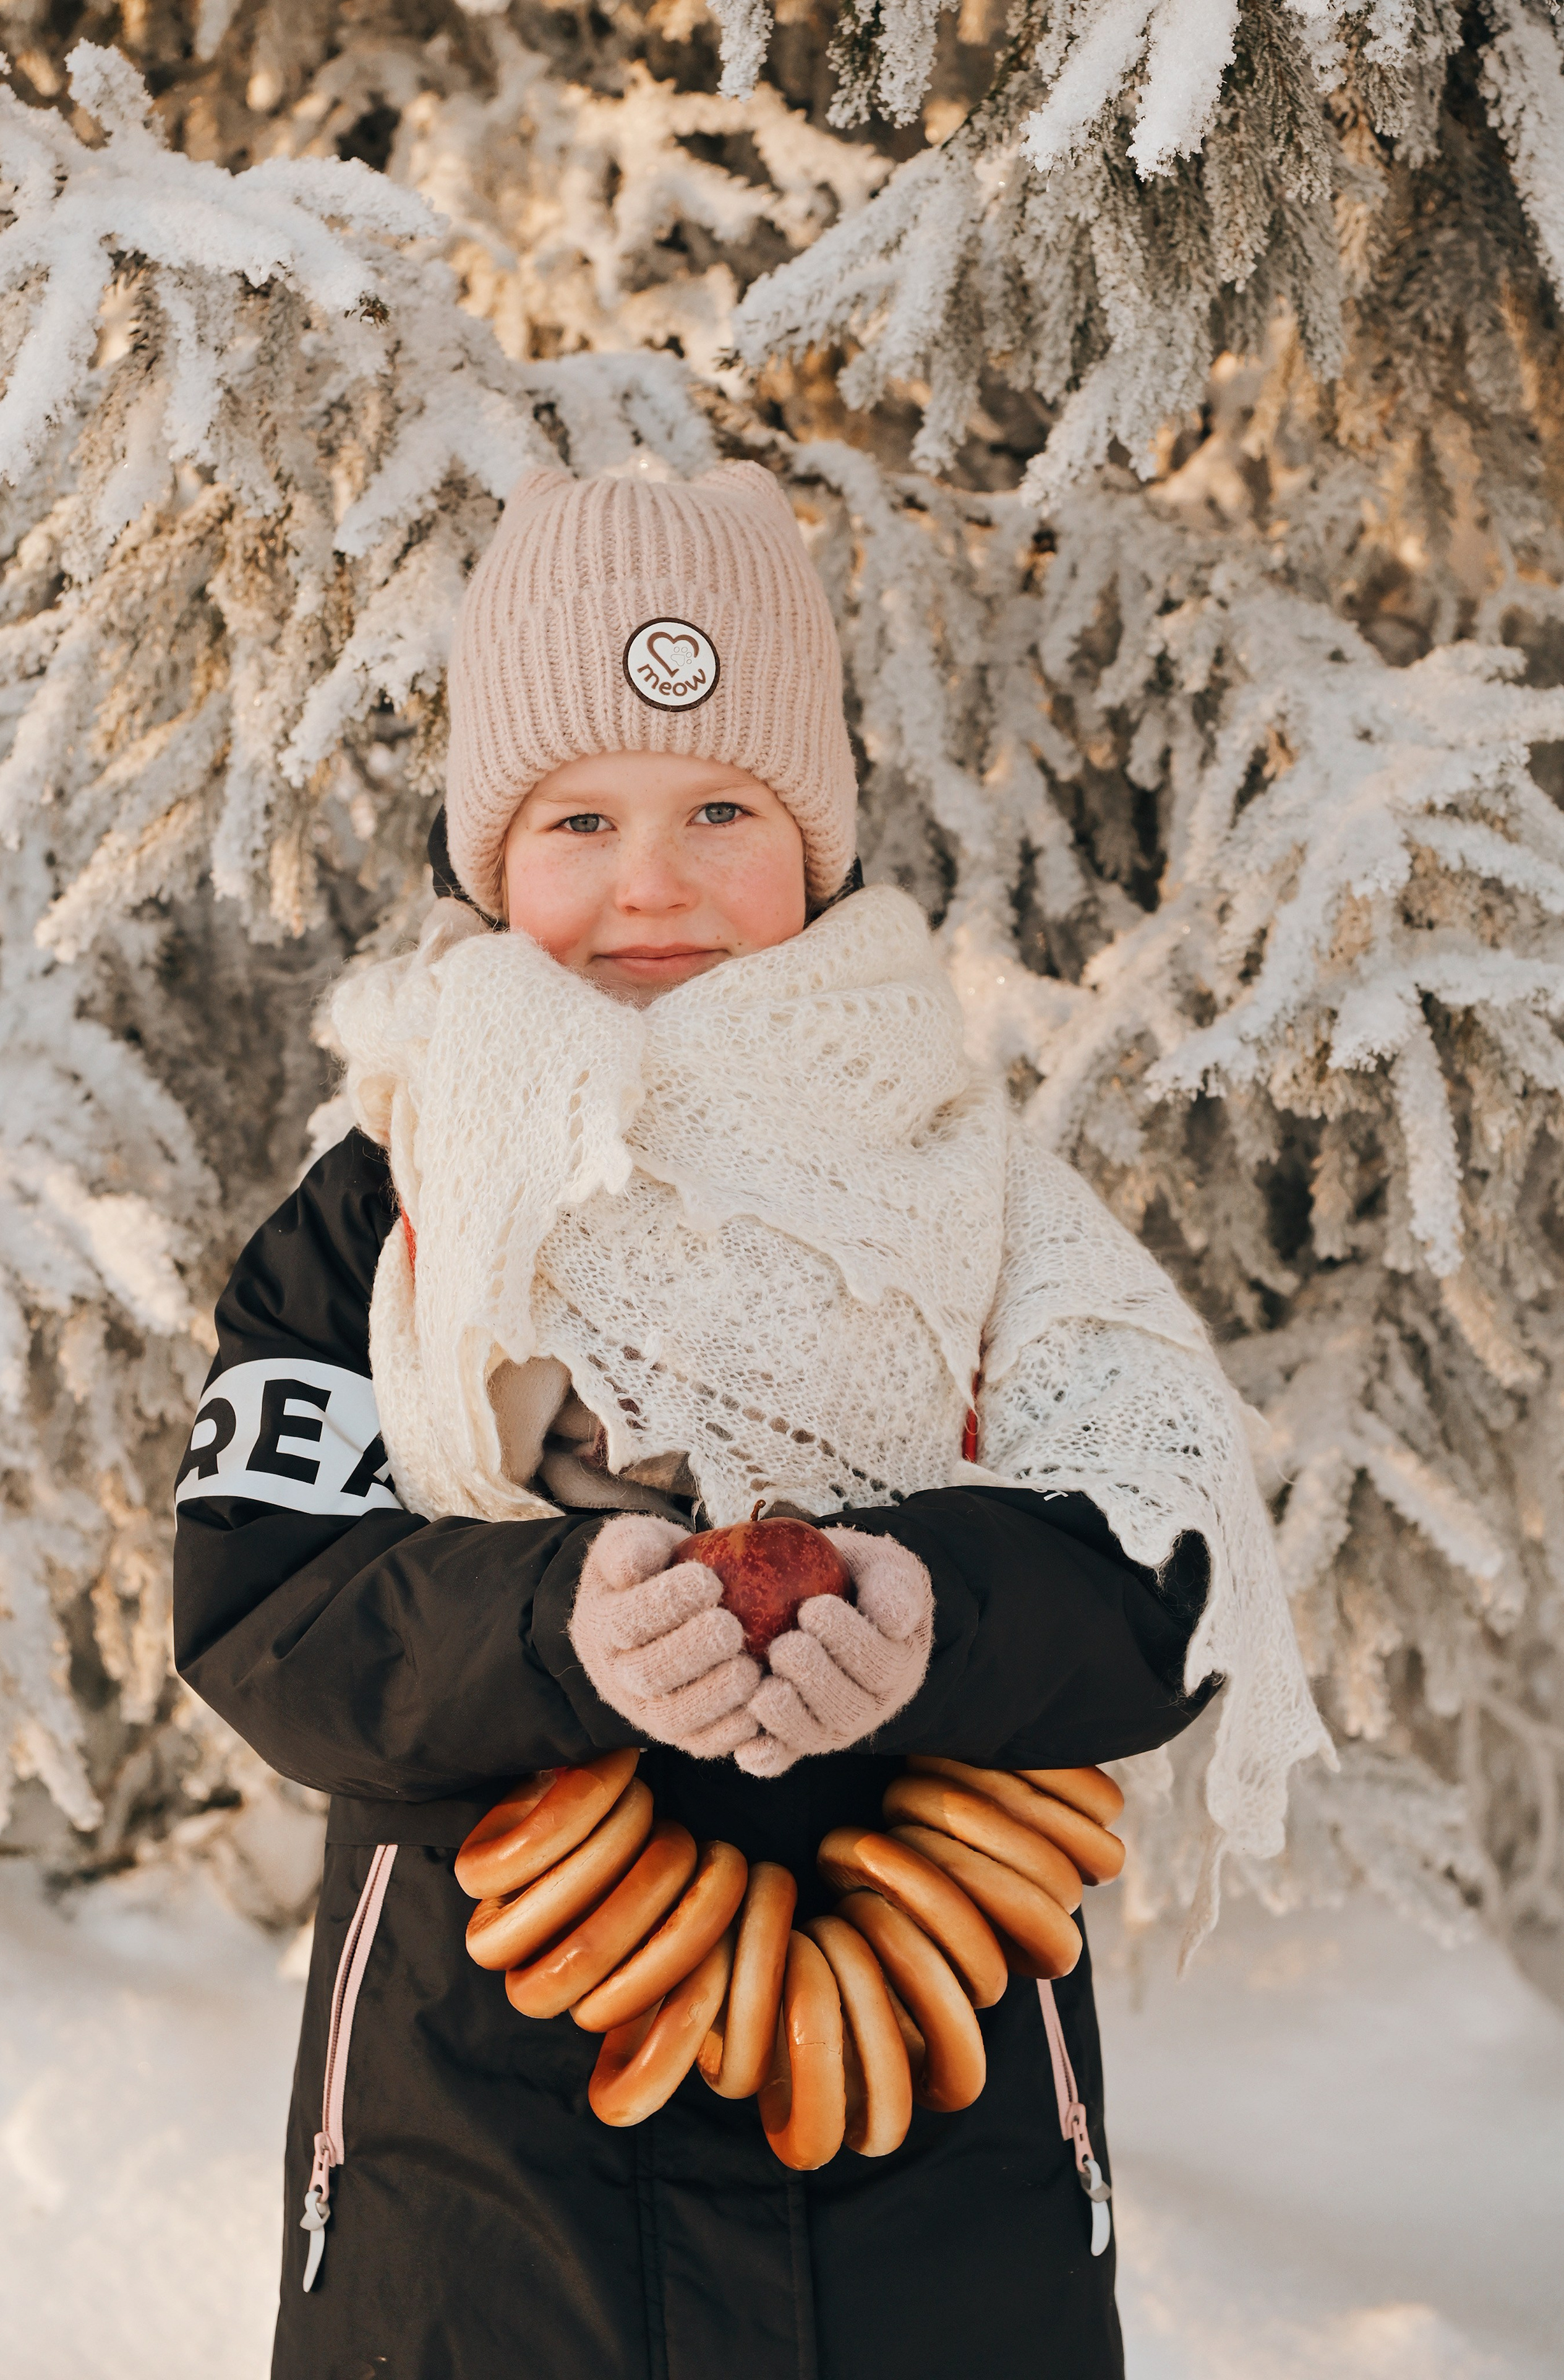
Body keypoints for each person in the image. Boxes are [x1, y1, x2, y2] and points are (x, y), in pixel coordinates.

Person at [173, 463, 1327, 2380]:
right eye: (581, 818)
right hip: (482, 2173)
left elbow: (1166, 1566)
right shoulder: (388, 1211)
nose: (654, 880)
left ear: (817, 841)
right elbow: (265, 1605)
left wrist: (939, 1612)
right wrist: (557, 1628)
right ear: (491, 855)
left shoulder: (979, 1192)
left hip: (938, 2167)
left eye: (722, 809)